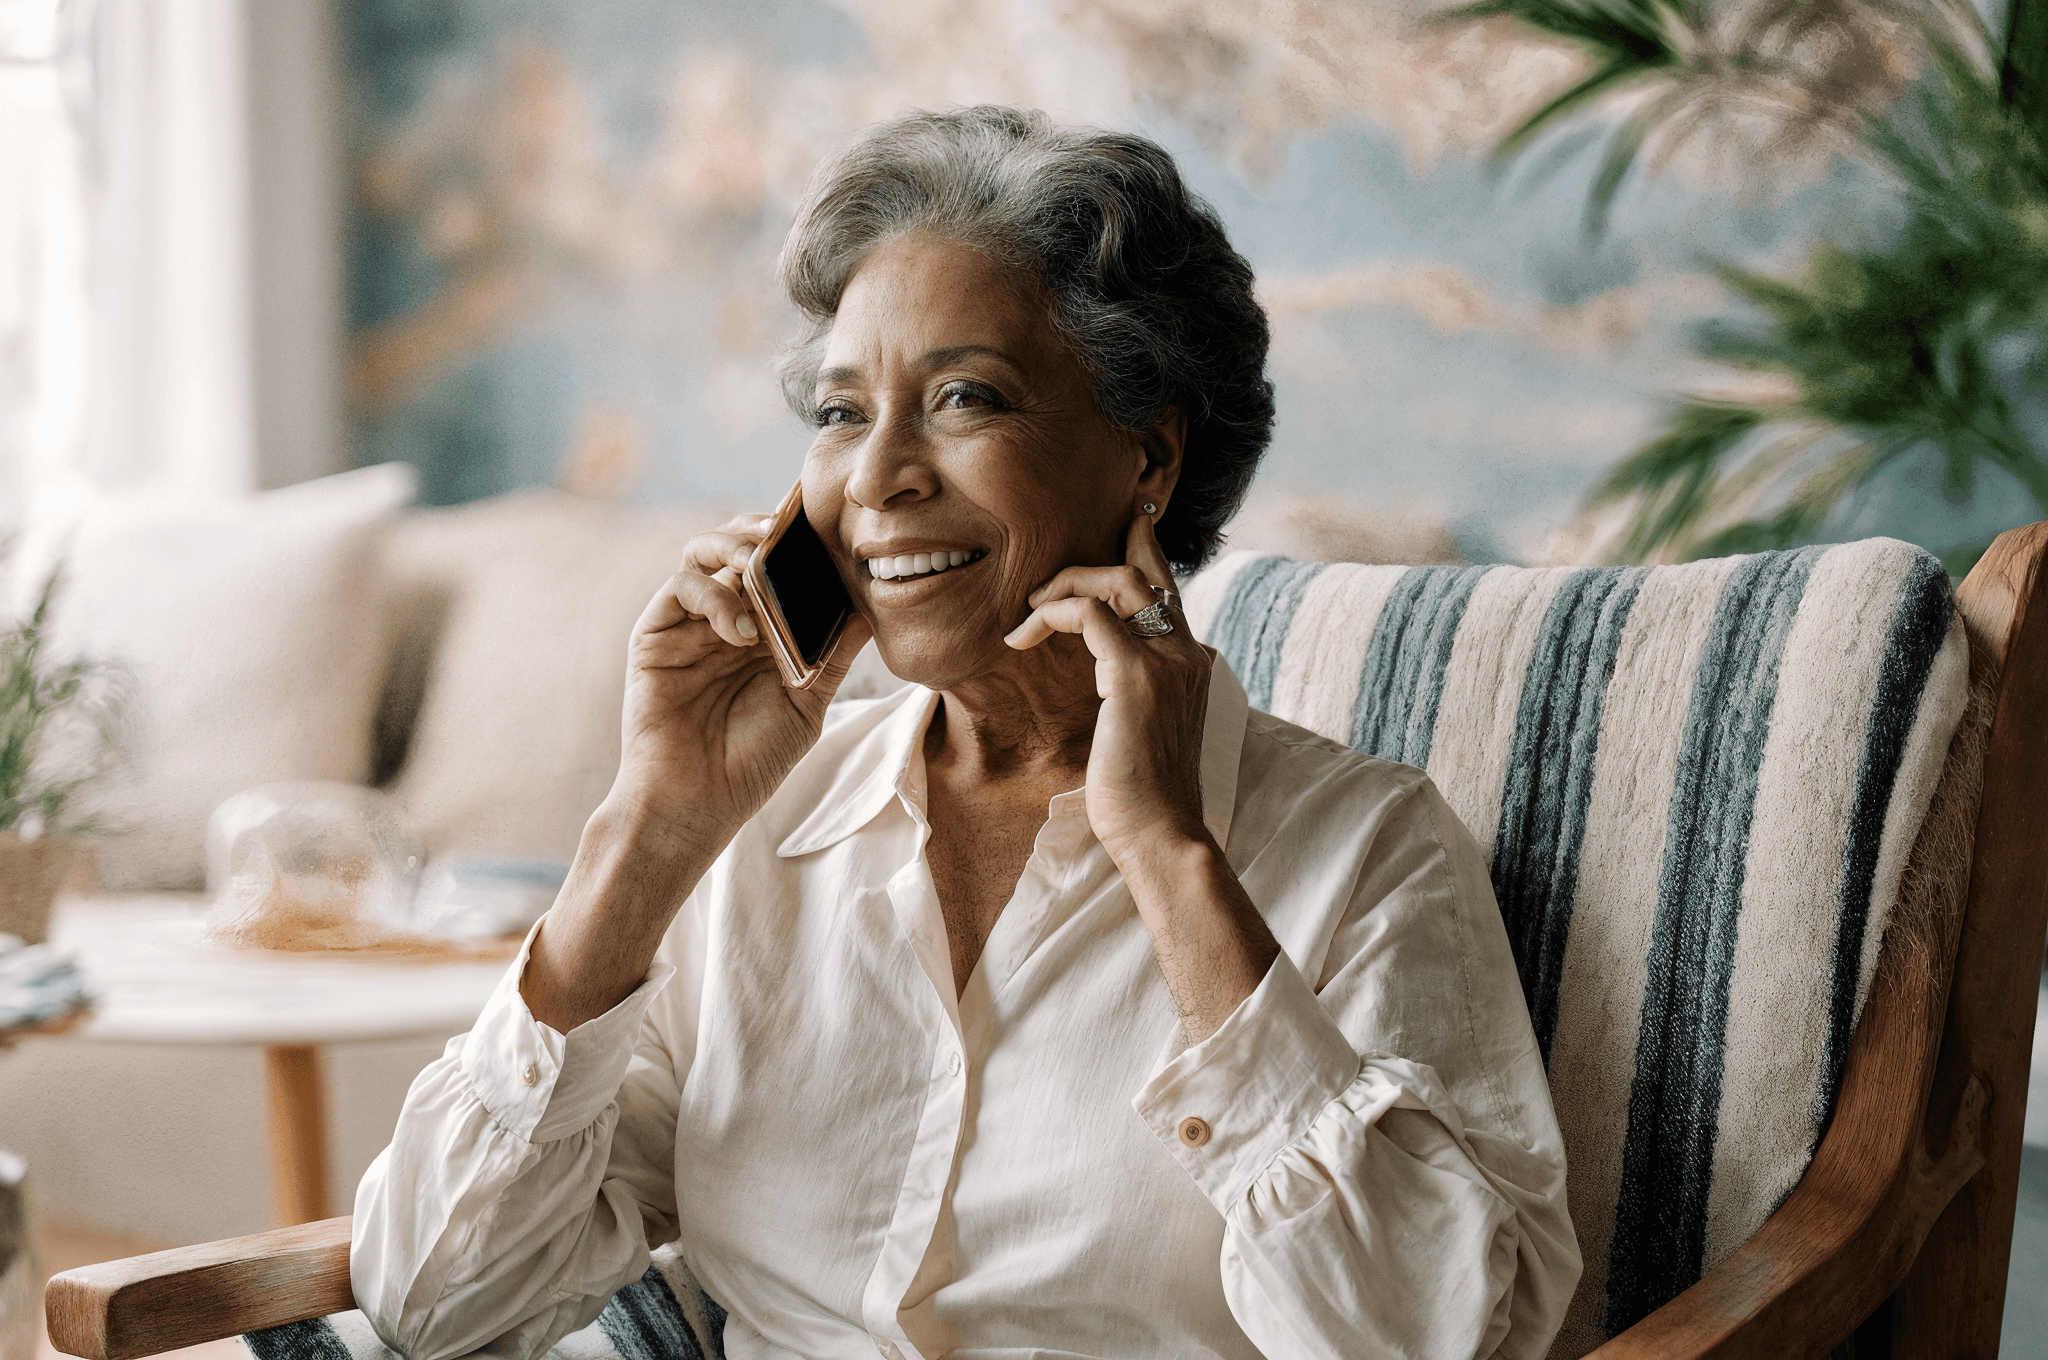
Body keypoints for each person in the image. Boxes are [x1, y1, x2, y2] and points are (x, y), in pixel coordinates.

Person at [353, 105, 1580, 1360]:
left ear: (1148, 458)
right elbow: (436, 1300)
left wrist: (1168, 854)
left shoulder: (1364, 849)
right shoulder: (755, 828)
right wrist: (650, 826)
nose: (877, 475)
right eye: (840, 413)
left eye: (963, 398)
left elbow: (1433, 1340)